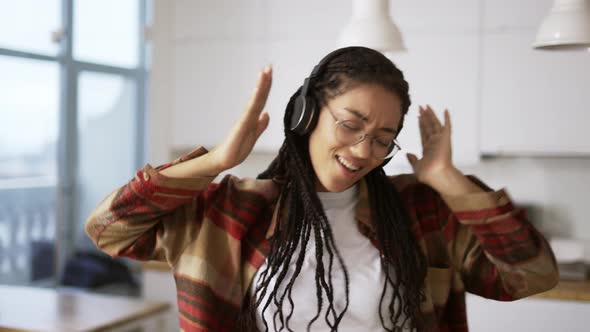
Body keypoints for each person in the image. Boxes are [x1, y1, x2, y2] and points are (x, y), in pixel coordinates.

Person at [85, 46, 558, 332]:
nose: (363, 149)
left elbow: (532, 274)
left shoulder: (417, 211)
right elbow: (110, 230)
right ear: (305, 116)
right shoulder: (233, 211)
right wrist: (217, 161)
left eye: (382, 139)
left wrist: (447, 179)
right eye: (351, 125)